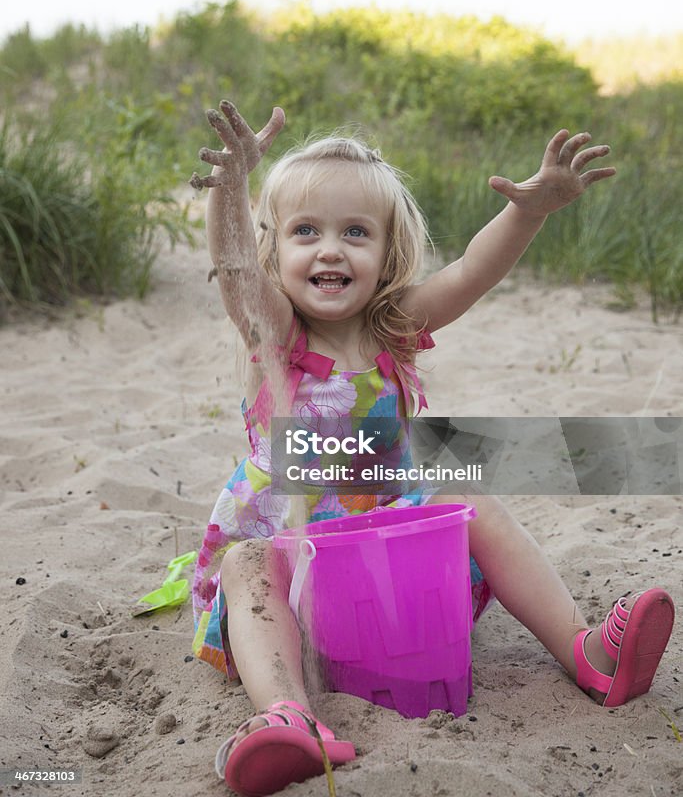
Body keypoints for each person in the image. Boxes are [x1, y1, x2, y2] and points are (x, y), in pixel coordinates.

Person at [190, 100, 675, 797]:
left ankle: (586, 650)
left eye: (354, 232)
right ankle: (288, 714)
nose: (329, 249)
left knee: (463, 489)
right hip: (298, 573)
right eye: (305, 231)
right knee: (245, 563)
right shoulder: (278, 335)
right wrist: (230, 190)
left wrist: (530, 210)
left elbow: (473, 271)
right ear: (276, 249)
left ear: (387, 254)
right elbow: (234, 268)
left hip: (392, 575)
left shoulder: (394, 326)